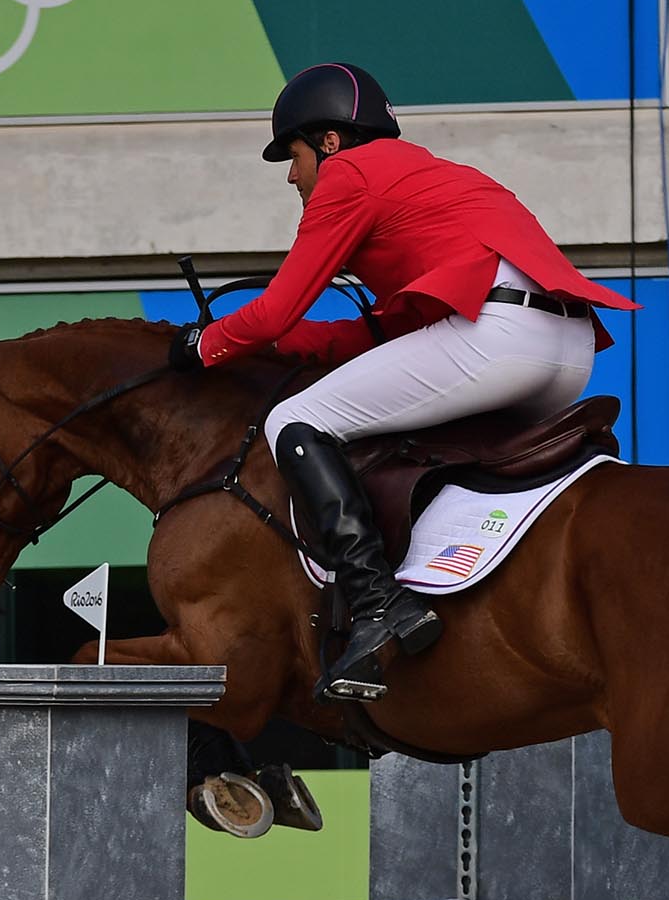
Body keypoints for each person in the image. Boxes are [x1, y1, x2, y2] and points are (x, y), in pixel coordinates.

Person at [170, 61, 637, 701]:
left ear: (330, 142)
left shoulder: (349, 176)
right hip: (566, 348)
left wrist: (209, 343)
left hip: (496, 339)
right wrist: (271, 348)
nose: (291, 174)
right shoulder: (436, 178)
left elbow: (279, 307)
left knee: (293, 422)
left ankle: (375, 602)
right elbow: (378, 341)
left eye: (296, 154)